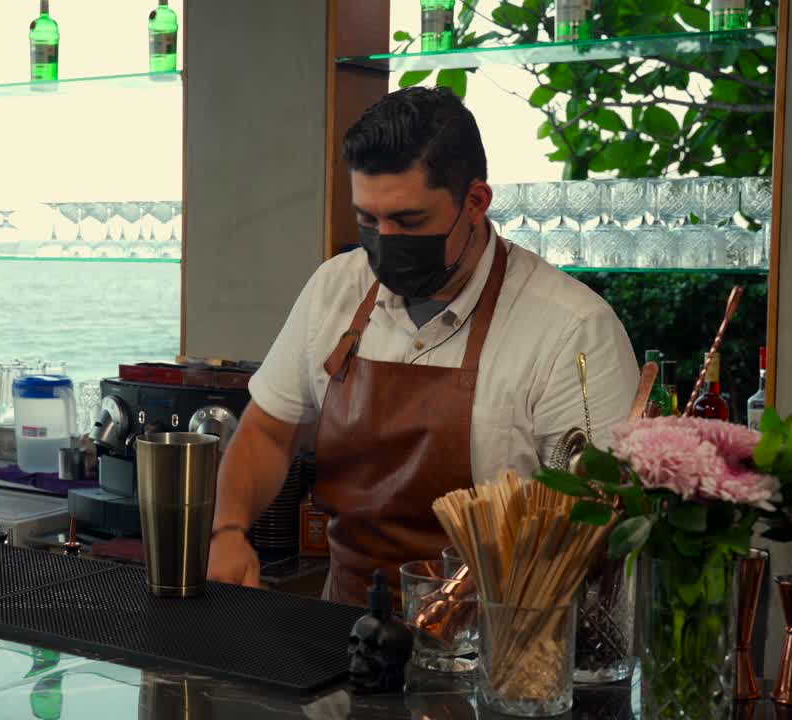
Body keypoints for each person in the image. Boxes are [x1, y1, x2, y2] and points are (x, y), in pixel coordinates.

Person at [207, 87, 639, 605]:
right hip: (341, 631)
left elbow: (600, 530)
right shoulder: (335, 289)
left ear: (476, 202)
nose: (385, 241)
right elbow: (269, 432)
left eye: (409, 222)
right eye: (368, 221)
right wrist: (228, 530)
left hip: (497, 647)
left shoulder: (572, 330)